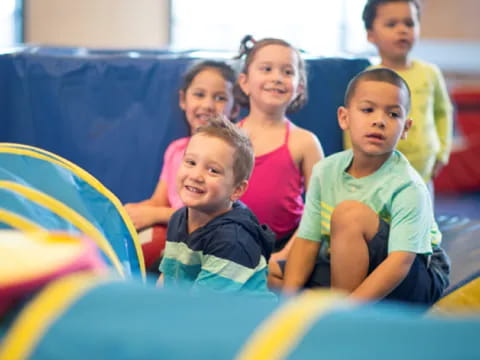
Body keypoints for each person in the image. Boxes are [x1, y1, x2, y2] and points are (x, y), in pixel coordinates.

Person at [271, 68, 450, 304]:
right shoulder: (326, 170)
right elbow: (307, 241)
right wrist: (288, 299)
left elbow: (400, 263)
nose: (379, 121)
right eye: (367, 110)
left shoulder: (408, 185)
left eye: (393, 115)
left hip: (414, 271)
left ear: (405, 128)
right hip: (352, 263)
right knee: (271, 272)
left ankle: (343, 313)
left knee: (349, 215)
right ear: (344, 118)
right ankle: (323, 303)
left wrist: (348, 311)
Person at [159, 115, 275, 294]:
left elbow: (202, 309)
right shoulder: (179, 218)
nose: (196, 175)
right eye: (190, 162)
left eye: (213, 170)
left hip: (242, 320)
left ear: (236, 189)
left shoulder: (233, 241)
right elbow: (167, 281)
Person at [235, 36, 324, 260]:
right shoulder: (229, 137)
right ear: (244, 82)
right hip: (232, 239)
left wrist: (286, 254)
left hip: (286, 244)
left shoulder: (304, 141)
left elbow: (320, 207)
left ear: (299, 88)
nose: (276, 78)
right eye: (266, 69)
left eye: (287, 72)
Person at [345, 0, 453, 184]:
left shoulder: (430, 73)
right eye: (391, 24)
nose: (402, 30)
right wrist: (356, 161)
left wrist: (442, 153)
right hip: (381, 173)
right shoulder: (368, 78)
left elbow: (443, 113)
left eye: (409, 23)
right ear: (371, 35)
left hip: (423, 173)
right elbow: (352, 122)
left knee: (422, 213)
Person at [124, 60, 239, 231]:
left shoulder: (230, 156)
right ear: (183, 100)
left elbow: (210, 215)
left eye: (220, 98)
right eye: (199, 95)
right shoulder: (176, 150)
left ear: (235, 109)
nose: (207, 105)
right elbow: (158, 202)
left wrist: (155, 215)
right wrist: (131, 212)